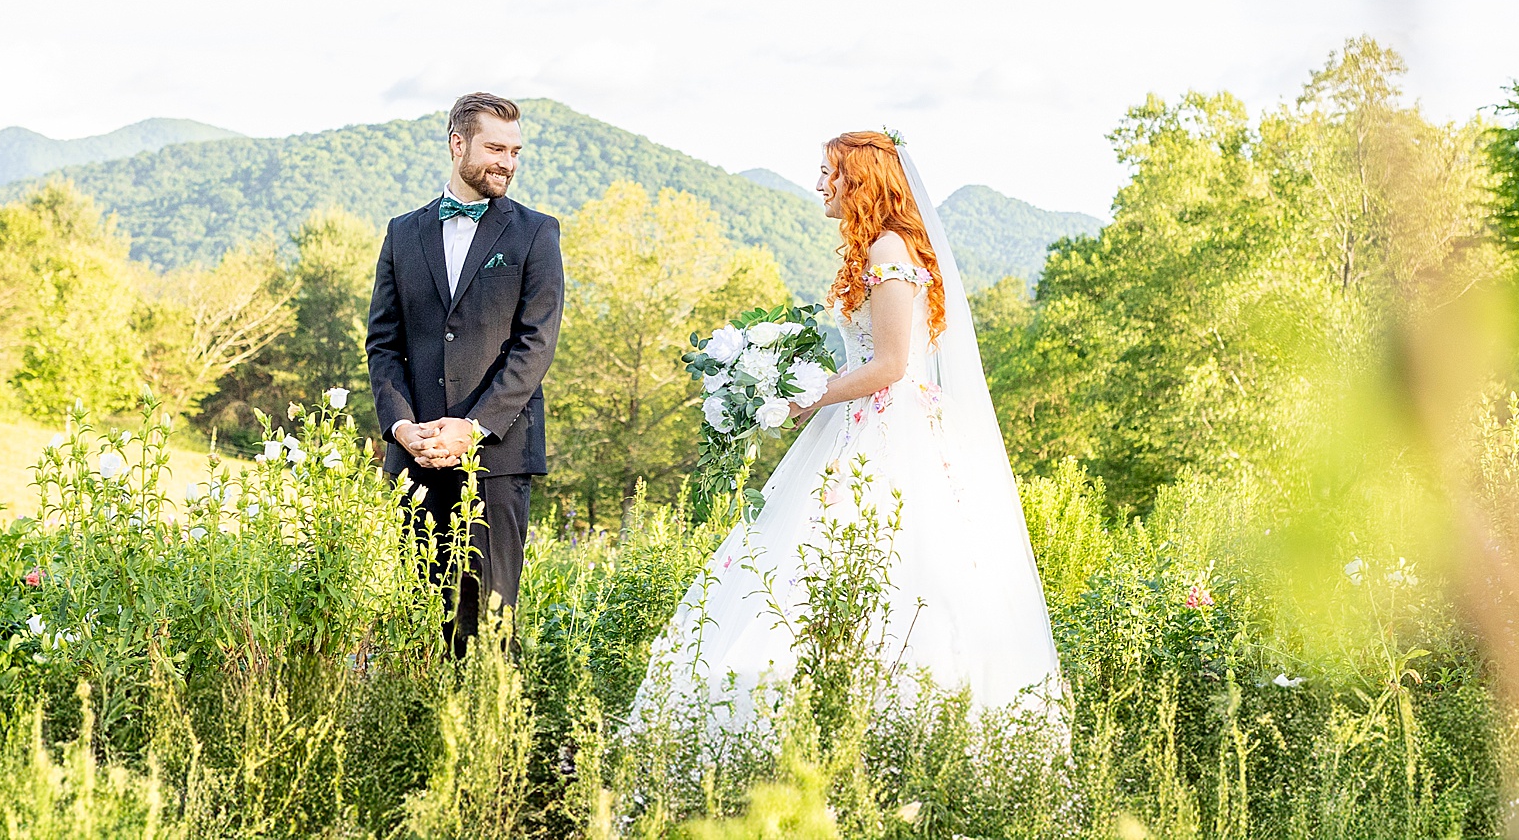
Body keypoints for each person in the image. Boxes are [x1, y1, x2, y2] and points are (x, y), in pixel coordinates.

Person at [638, 130, 1060, 722]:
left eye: (828, 172)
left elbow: (889, 365)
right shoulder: (878, 251)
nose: (818, 185)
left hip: (890, 430)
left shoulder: (889, 252)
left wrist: (805, 398)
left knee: (882, 561)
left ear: (859, 180)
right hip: (858, 422)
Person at [365, 92, 564, 648]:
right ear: (458, 144)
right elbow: (384, 345)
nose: (508, 162)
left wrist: (471, 428)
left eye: (516, 151)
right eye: (495, 148)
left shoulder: (536, 232)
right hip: (417, 454)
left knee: (491, 617)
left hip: (496, 455)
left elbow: (535, 345)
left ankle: (491, 730)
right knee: (420, 615)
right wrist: (403, 429)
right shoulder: (403, 233)